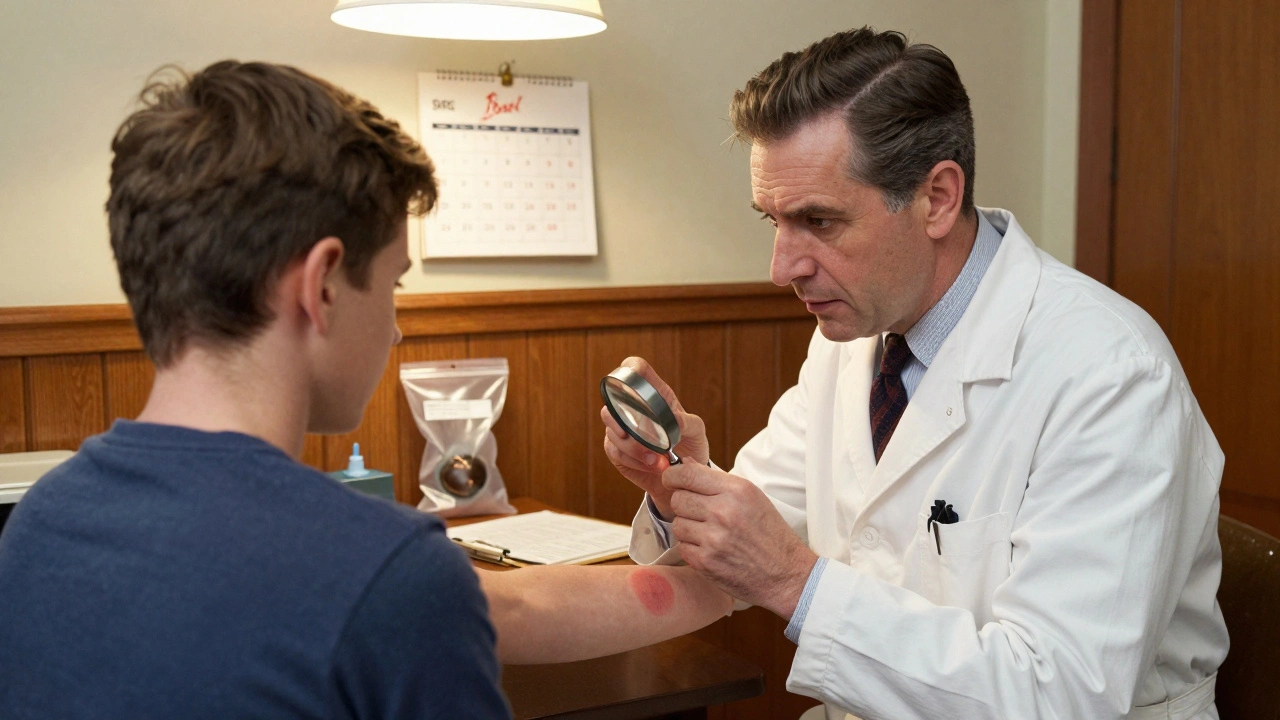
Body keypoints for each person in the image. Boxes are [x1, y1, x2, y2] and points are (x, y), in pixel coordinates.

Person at [0, 60, 730, 719]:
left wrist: (735, 579)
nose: (396, 330)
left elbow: (502, 602)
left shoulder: (42, 524)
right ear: (321, 286)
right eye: (393, 285)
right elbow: (409, 598)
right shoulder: (384, 575)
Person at [602, 27, 1228, 720]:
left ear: (936, 197)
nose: (782, 268)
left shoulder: (1112, 378)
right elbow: (753, 535)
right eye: (773, 222)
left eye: (818, 220)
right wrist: (679, 487)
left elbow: (1061, 695)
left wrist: (793, 579)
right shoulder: (853, 334)